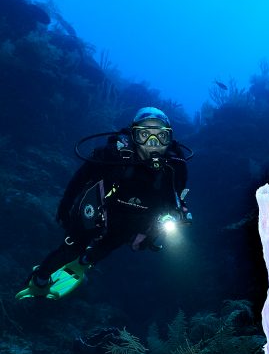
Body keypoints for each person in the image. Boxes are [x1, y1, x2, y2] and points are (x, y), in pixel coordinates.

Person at [17, 107, 192, 300]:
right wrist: (65, 205)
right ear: (134, 136)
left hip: (137, 215)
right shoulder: (112, 155)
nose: (153, 143)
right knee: (73, 246)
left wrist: (157, 227)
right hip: (101, 205)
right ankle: (39, 280)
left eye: (161, 136)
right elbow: (80, 178)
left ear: (170, 139)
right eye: (144, 134)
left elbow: (175, 197)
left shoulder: (175, 166)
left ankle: (84, 262)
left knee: (112, 243)